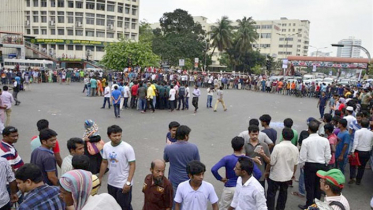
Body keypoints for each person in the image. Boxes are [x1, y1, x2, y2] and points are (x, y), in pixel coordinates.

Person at [211, 137, 262, 210]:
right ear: (242, 147)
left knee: (224, 207)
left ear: (232, 146)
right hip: (242, 188)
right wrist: (249, 182)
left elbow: (214, 169)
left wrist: (221, 179)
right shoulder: (247, 160)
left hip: (228, 187)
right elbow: (258, 173)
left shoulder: (227, 158)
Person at [99, 125, 136, 210]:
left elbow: (132, 165)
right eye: (114, 136)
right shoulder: (106, 146)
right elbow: (104, 162)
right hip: (111, 182)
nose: (117, 138)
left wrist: (128, 183)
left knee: (125, 206)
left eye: (119, 135)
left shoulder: (127, 148)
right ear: (109, 136)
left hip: (123, 183)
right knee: (113, 205)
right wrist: (100, 177)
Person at [298, 120, 331, 209]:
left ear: (308, 129)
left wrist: (302, 165)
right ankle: (317, 204)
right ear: (318, 129)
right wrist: (326, 163)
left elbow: (302, 156)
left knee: (309, 186)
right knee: (319, 186)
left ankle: (309, 204)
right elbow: (328, 155)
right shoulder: (325, 140)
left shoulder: (306, 141)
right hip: (321, 165)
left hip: (309, 165)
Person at [266, 128, 299, 210]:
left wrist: (267, 171)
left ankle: (270, 208)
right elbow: (295, 164)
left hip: (275, 175)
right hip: (287, 175)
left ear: (283, 136)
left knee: (271, 194)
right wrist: (293, 174)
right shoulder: (295, 148)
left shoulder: (278, 147)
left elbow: (272, 162)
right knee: (283, 193)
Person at [163, 125, 200, 197]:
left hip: (174, 179)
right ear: (186, 136)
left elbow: (166, 159)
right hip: (188, 179)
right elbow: (197, 163)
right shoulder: (194, 147)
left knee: (175, 200)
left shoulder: (168, 148)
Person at [351, 118, 373, 185]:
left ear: (361, 124)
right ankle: (358, 180)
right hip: (367, 152)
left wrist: (352, 151)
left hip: (358, 151)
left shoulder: (358, 132)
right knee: (362, 167)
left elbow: (355, 142)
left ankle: (352, 177)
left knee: (353, 164)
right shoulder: (371, 133)